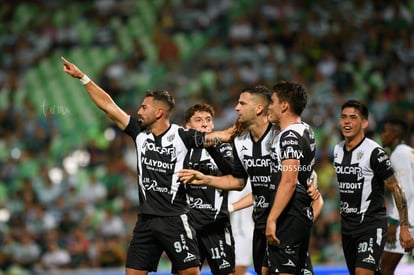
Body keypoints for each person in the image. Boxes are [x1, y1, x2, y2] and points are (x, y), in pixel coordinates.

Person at [61, 57, 236, 275]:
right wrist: (83, 77)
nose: (140, 111)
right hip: (146, 221)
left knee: (190, 273)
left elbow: (213, 137)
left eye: (144, 107)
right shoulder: (139, 133)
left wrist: (229, 133)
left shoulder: (182, 136)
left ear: (159, 112)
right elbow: (108, 105)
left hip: (174, 219)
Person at [179, 85, 322, 275]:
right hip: (261, 224)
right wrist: (206, 179)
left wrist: (311, 180)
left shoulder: (282, 133)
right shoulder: (240, 141)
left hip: (284, 221)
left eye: (242, 103)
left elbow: (296, 172)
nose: (237, 108)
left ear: (258, 109)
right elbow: (238, 182)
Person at [332, 100, 413, 275]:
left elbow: (396, 188)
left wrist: (404, 227)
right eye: (343, 117)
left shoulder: (375, 152)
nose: (347, 121)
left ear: (364, 123)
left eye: (353, 117)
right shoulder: (337, 150)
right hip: (347, 228)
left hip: (370, 226)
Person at [265, 80, 319, 275]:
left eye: (272, 101)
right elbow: (309, 171)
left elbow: (289, 181)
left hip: (289, 212)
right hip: (300, 211)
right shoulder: (306, 130)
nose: (269, 106)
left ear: (284, 105)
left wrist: (272, 219)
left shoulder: (289, 136)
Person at [175, 103, 235, 275]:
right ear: (188, 126)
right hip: (188, 226)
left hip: (215, 223)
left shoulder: (223, 146)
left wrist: (211, 146)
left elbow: (232, 173)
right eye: (198, 120)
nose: (204, 124)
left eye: (208, 120)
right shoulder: (182, 149)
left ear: (213, 125)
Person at [380, 118, 414, 275]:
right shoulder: (409, 152)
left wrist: (394, 222)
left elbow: (405, 190)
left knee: (385, 268)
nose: (382, 135)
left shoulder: (399, 155)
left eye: (385, 131)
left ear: (395, 134)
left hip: (406, 221)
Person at [228, 182, 254, 275]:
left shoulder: (246, 181)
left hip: (242, 233)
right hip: (231, 233)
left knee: (237, 271)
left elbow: (230, 204)